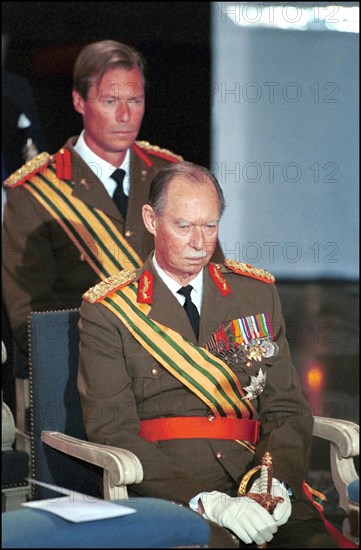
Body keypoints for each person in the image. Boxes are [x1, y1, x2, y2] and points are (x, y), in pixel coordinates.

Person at [77, 161, 338, 548]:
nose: (200, 243)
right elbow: (112, 430)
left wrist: (275, 484)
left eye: (210, 226)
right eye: (184, 226)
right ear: (151, 220)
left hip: (256, 477)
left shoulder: (256, 293)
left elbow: (286, 409)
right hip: (173, 493)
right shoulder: (108, 309)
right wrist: (207, 501)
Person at [2, 39, 224, 358]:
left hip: (182, 368)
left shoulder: (173, 175)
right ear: (79, 101)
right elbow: (33, 322)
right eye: (110, 101)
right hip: (83, 376)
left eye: (135, 100)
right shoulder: (34, 193)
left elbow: (214, 280)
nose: (124, 115)